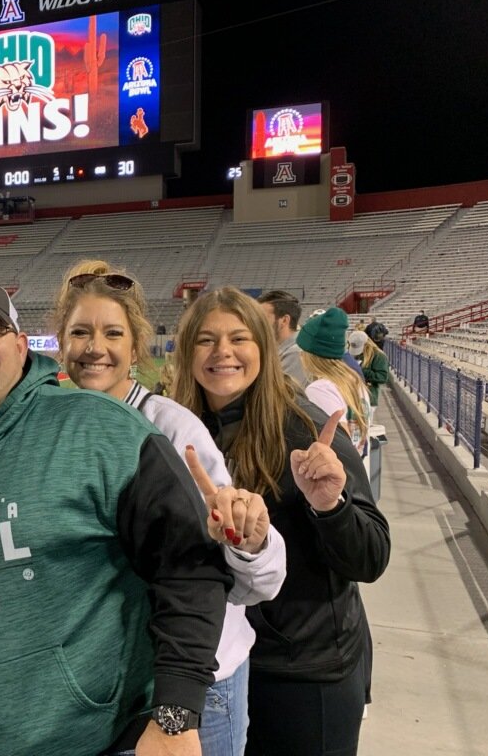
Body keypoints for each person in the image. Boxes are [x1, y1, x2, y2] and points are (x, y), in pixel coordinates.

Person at [0, 277, 231, 756]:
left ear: (22, 346)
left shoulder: (99, 426)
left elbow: (190, 568)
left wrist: (175, 716)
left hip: (108, 738)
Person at [53, 260, 287, 756]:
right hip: (112, 686)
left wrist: (250, 539)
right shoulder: (61, 429)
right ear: (61, 344)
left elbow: (252, 583)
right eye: (80, 332)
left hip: (198, 686)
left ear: (136, 347)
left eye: (112, 332)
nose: (95, 347)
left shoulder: (172, 428)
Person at [171, 287, 390, 756]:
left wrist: (331, 506)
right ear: (186, 351)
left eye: (239, 338)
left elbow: (371, 556)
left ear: (264, 350)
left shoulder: (306, 427)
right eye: (206, 340)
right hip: (219, 672)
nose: (222, 352)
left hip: (302, 673)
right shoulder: (176, 431)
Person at [297, 308, 371, 456]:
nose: (300, 356)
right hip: (356, 470)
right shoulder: (353, 380)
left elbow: (338, 443)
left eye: (302, 351)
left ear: (311, 354)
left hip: (337, 475)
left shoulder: (320, 389)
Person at [256, 290, 308, 387]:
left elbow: (277, 394)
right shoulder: (281, 350)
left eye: (263, 319)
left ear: (284, 320)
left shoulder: (296, 353)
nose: (258, 324)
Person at [349, 330, 390, 410]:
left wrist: (361, 370)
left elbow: (382, 377)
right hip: (350, 397)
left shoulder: (379, 356)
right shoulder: (349, 353)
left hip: (367, 398)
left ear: (366, 344)